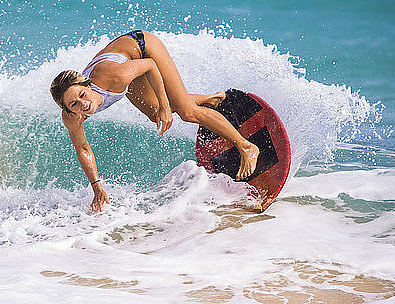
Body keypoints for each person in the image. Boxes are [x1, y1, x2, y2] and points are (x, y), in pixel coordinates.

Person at [51, 30, 260, 212]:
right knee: (154, 114)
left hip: (143, 48)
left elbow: (150, 65)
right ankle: (211, 99)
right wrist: (96, 187)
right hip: (128, 61)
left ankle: (246, 146)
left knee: (187, 113)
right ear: (67, 109)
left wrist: (165, 105)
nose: (82, 104)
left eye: (81, 94)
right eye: (73, 104)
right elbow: (83, 148)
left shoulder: (114, 77)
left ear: (87, 85)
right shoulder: (72, 117)